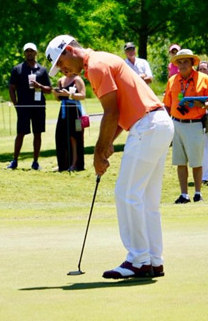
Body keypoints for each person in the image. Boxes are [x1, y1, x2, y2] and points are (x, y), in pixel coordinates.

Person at [46, 35, 174, 279]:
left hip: (147, 126)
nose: (63, 70)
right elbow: (118, 112)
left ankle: (138, 259)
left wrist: (98, 150)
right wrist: (107, 145)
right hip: (158, 124)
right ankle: (154, 260)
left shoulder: (95, 66)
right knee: (146, 199)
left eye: (61, 64)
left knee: (126, 193)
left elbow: (111, 111)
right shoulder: (101, 60)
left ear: (70, 50)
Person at [163, 49, 208, 204]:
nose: (182, 65)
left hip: (195, 124)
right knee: (180, 161)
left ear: (193, 63)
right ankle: (184, 194)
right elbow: (167, 104)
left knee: (196, 161)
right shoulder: (172, 80)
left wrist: (202, 104)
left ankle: (198, 193)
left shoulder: (203, 79)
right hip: (176, 124)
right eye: (179, 61)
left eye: (185, 61)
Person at [7, 42, 52, 170]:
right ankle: (14, 161)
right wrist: (16, 104)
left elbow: (49, 89)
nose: (29, 53)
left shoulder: (42, 70)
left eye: (31, 51)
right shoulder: (18, 69)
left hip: (38, 107)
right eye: (27, 51)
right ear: (24, 53)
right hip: (23, 106)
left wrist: (40, 86)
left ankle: (35, 162)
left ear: (36, 53)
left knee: (37, 134)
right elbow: (11, 88)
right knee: (20, 133)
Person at [53, 71, 86, 172]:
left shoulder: (77, 80)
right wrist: (56, 94)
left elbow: (83, 95)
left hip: (75, 111)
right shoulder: (60, 81)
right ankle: (63, 164)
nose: (65, 70)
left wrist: (70, 94)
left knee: (75, 137)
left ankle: (75, 164)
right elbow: (58, 99)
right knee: (60, 136)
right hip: (63, 111)